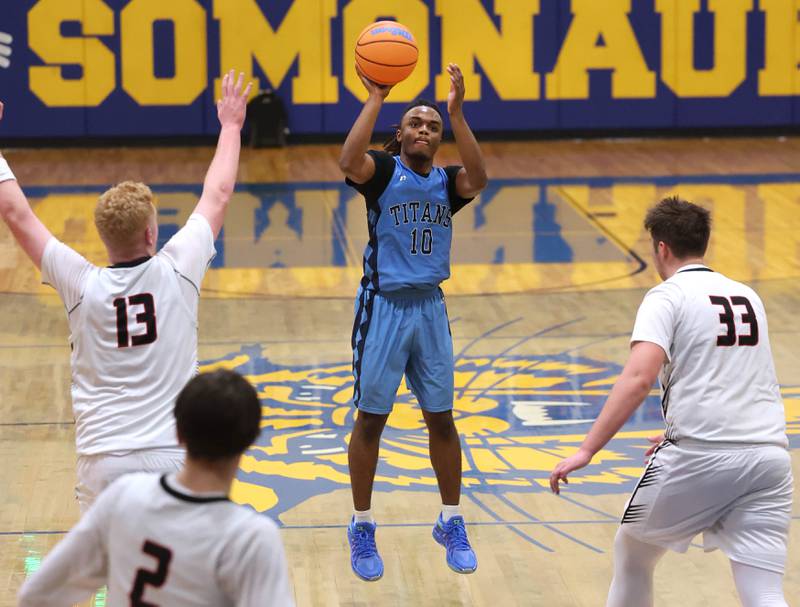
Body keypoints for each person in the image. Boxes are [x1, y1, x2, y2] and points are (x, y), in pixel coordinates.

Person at [0, 70, 252, 513]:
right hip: (170, 456)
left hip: (102, 461)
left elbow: (15, 211)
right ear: (152, 232)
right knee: (173, 576)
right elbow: (219, 192)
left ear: (103, 237)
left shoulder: (79, 283)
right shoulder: (179, 271)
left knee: (119, 580)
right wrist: (231, 125)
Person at [549, 196, 793, 607]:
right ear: (703, 243)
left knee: (633, 556)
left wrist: (586, 449)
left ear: (660, 247)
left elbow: (638, 378)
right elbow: (737, 377)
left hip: (700, 457)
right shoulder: (748, 296)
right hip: (769, 458)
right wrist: (676, 426)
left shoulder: (666, 296)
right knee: (763, 590)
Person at [337, 62, 488, 581]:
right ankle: (361, 525)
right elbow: (346, 159)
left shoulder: (448, 184)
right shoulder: (381, 173)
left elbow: (481, 177)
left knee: (441, 417)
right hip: (383, 308)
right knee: (372, 419)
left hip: (429, 309)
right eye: (415, 124)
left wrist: (458, 115)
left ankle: (451, 519)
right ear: (399, 135)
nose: (424, 130)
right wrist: (376, 97)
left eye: (432, 127)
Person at [17, 369, 295, 607]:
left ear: (178, 432)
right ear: (249, 442)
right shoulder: (250, 538)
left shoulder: (123, 497)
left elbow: (36, 595)